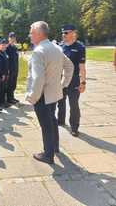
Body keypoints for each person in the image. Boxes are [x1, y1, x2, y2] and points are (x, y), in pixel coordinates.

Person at [26, 21, 74, 164]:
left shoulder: (39, 51)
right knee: (52, 121)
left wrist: (33, 97)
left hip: (42, 95)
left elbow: (38, 78)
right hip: (54, 94)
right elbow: (70, 66)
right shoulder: (56, 47)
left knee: (46, 125)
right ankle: (55, 147)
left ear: (40, 34)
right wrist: (63, 85)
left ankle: (48, 155)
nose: (30, 35)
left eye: (32, 32)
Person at [57, 25, 86, 137]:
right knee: (60, 101)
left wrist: (83, 82)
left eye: (66, 33)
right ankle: (60, 120)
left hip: (74, 79)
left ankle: (74, 127)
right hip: (61, 78)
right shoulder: (60, 46)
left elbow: (82, 66)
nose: (64, 35)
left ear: (74, 33)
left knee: (74, 104)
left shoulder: (79, 47)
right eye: (63, 33)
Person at [6, 32, 20, 104]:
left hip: (15, 69)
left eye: (14, 37)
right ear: (9, 38)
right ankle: (9, 99)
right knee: (10, 84)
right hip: (10, 70)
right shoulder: (7, 48)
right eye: (11, 37)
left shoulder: (15, 48)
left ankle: (12, 97)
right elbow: (6, 60)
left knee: (14, 84)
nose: (12, 39)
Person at [0, 38, 10, 108]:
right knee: (1, 89)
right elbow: (0, 66)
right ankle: (0, 102)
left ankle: (3, 101)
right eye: (2, 45)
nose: (3, 46)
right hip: (2, 75)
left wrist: (7, 72)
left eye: (4, 45)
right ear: (0, 45)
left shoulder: (5, 53)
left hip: (6, 74)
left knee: (4, 88)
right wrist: (2, 74)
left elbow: (7, 64)